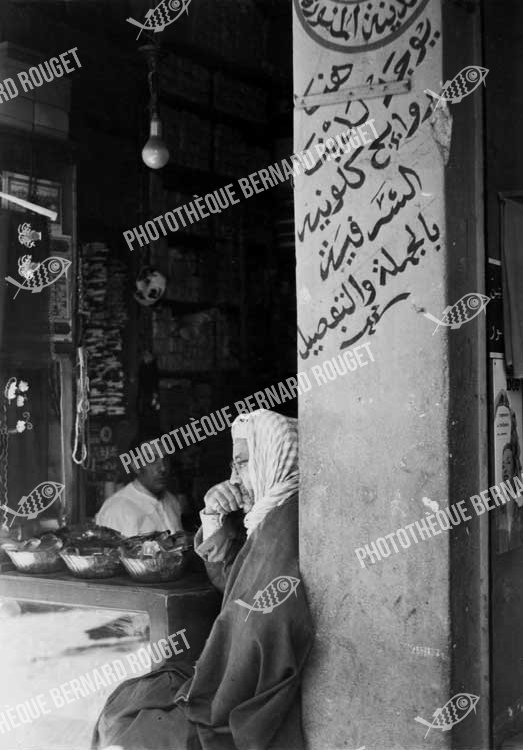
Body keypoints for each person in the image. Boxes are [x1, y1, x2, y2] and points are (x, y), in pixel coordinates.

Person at [92, 409, 313, 750]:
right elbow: (233, 581)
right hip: (232, 673)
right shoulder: (267, 516)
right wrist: (212, 517)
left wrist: (210, 678)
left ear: (273, 458)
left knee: (129, 721)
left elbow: (259, 633)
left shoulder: (285, 525)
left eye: (243, 463)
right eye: (233, 466)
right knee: (132, 701)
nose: (234, 479)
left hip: (243, 693)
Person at [95, 436, 186, 537]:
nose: (163, 468)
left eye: (165, 459)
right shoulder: (116, 510)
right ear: (136, 466)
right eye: (152, 459)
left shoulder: (172, 501)